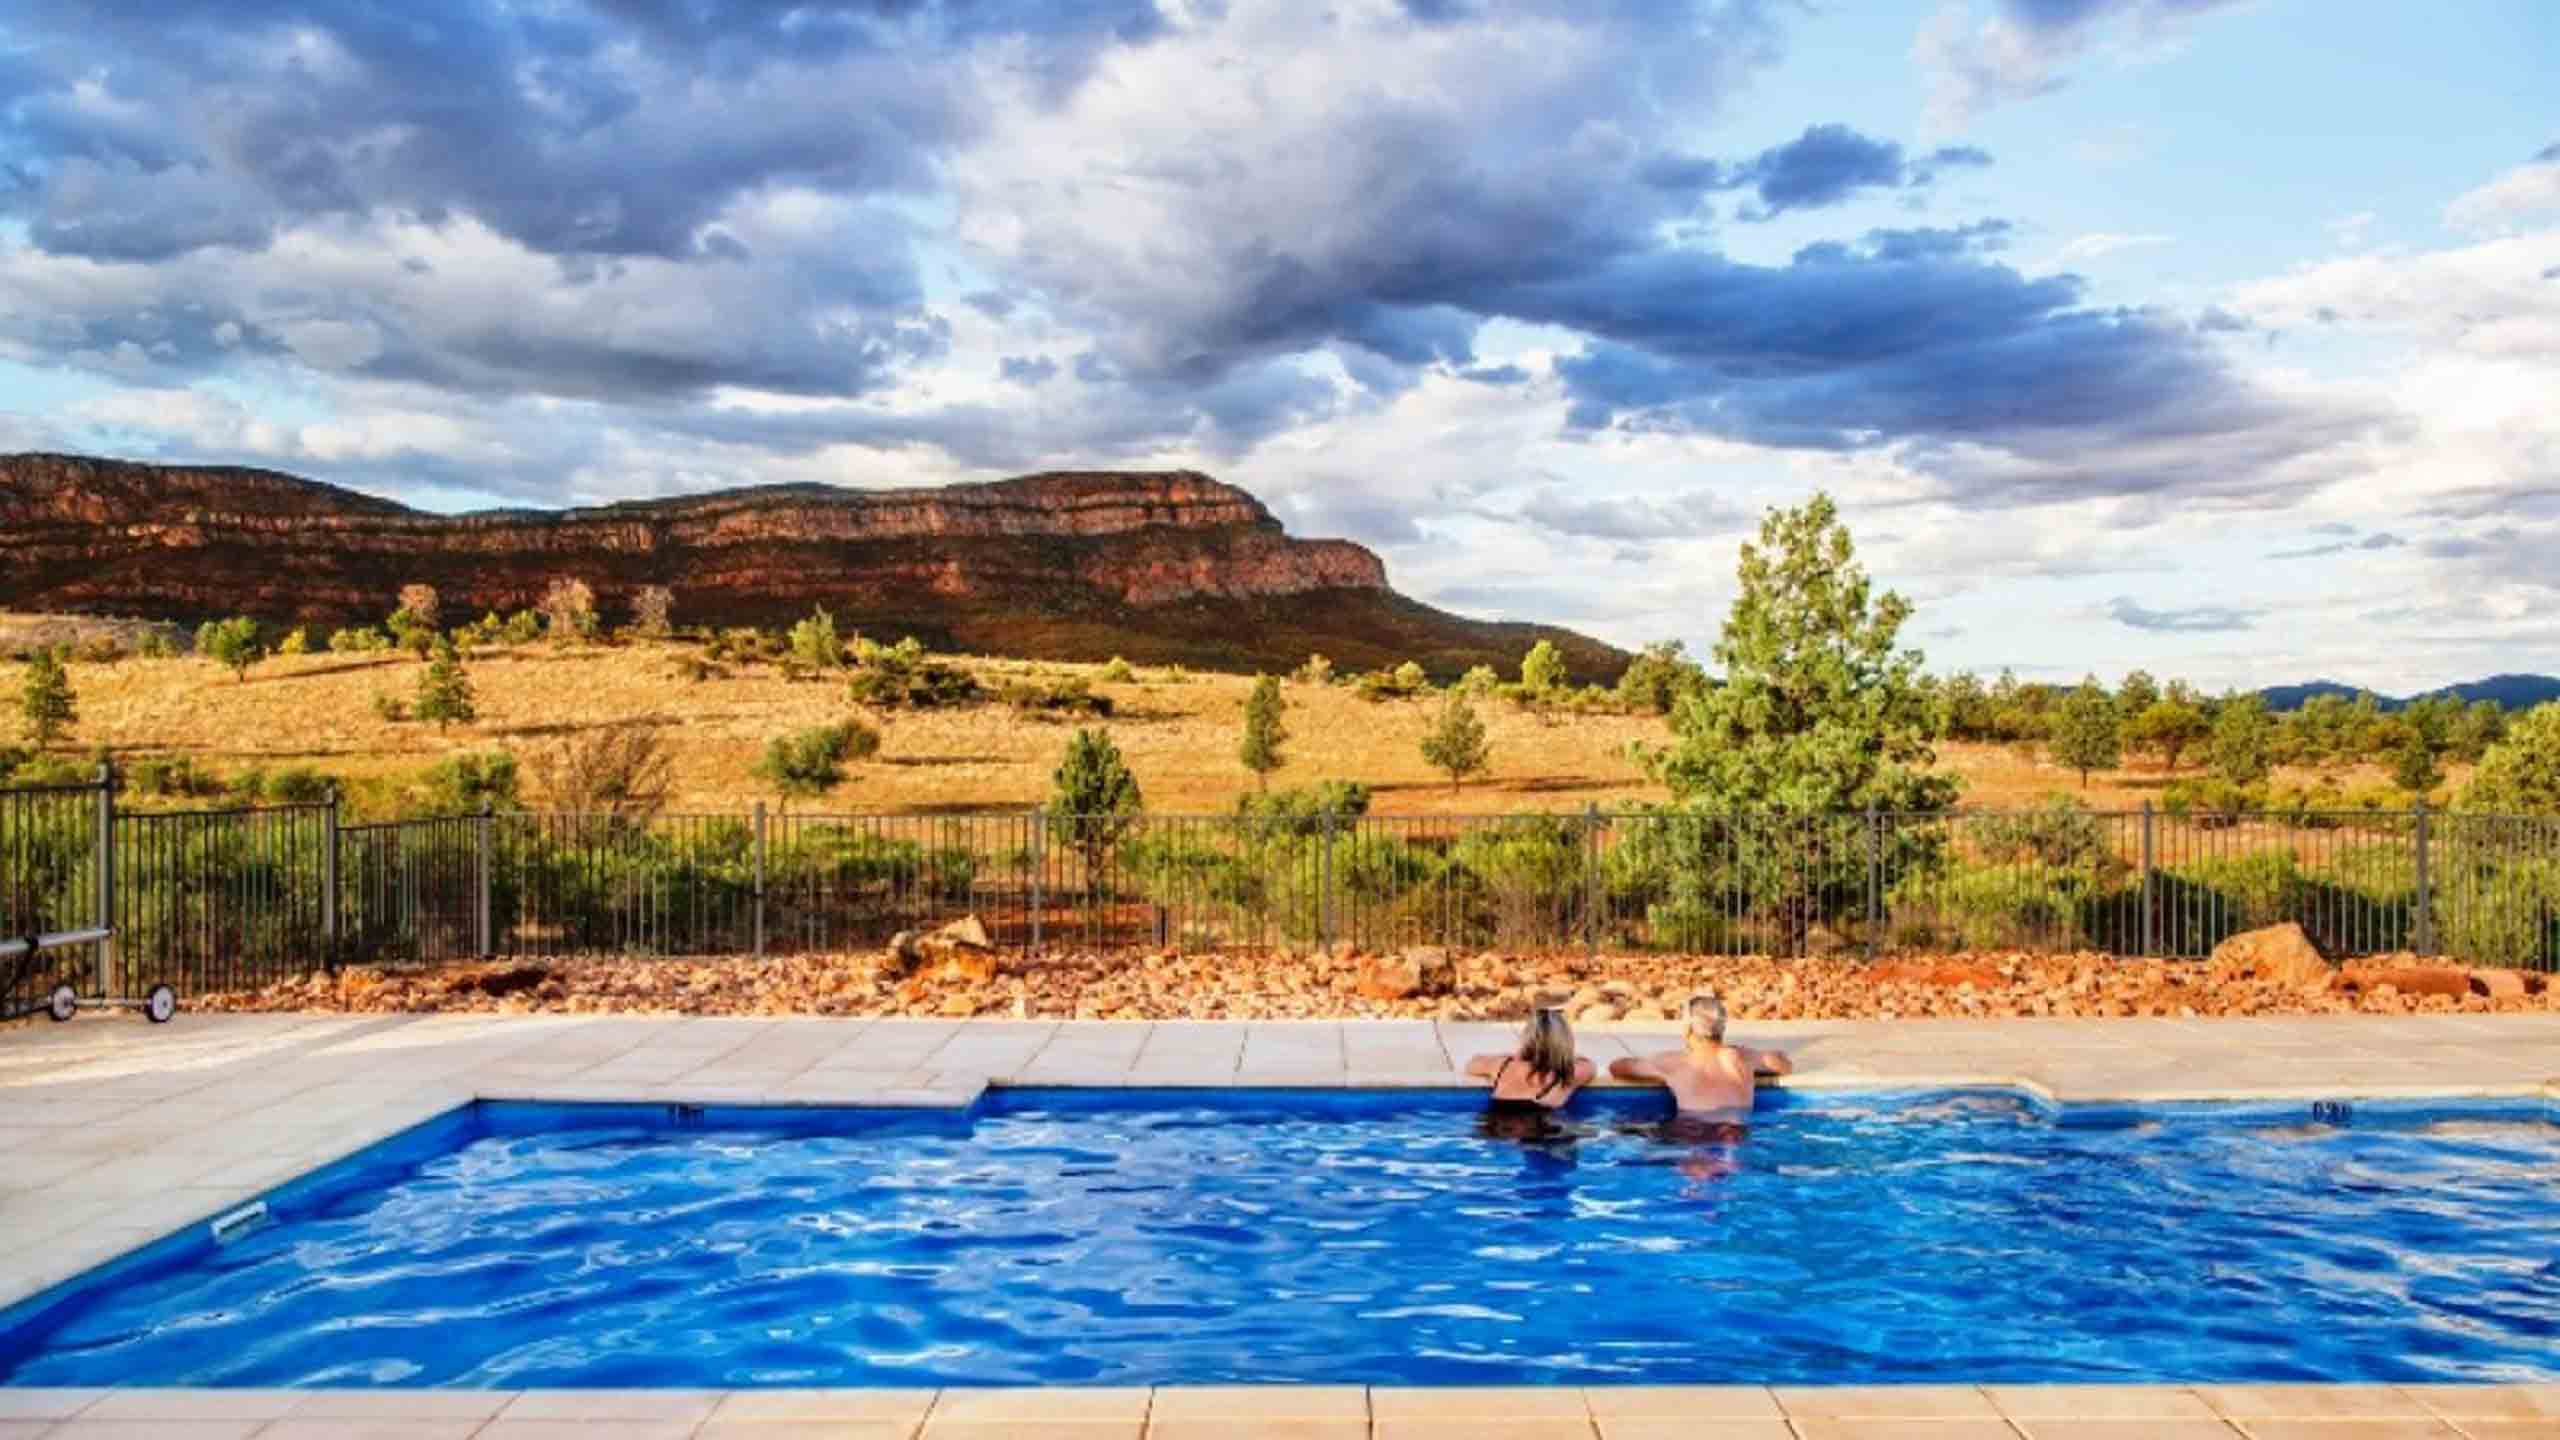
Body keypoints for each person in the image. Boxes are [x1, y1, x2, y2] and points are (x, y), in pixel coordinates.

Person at [1609, 989, 1791, 1119]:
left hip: (1692, 1134)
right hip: (1736, 1136)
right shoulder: (1742, 1057)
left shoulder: (1675, 1062)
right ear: (1722, 1029)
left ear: (1688, 1030)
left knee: (1627, 1127)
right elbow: (1783, 1064)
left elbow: (1617, 1067)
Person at [1465, 1005, 1596, 1114]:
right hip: (1541, 1136)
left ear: (1526, 1039)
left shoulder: (1503, 1066)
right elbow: (1590, 1066)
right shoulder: (1567, 1074)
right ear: (1565, 1041)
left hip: (1494, 1131)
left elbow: (1472, 1064)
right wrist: (1562, 1055)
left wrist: (1512, 1057)